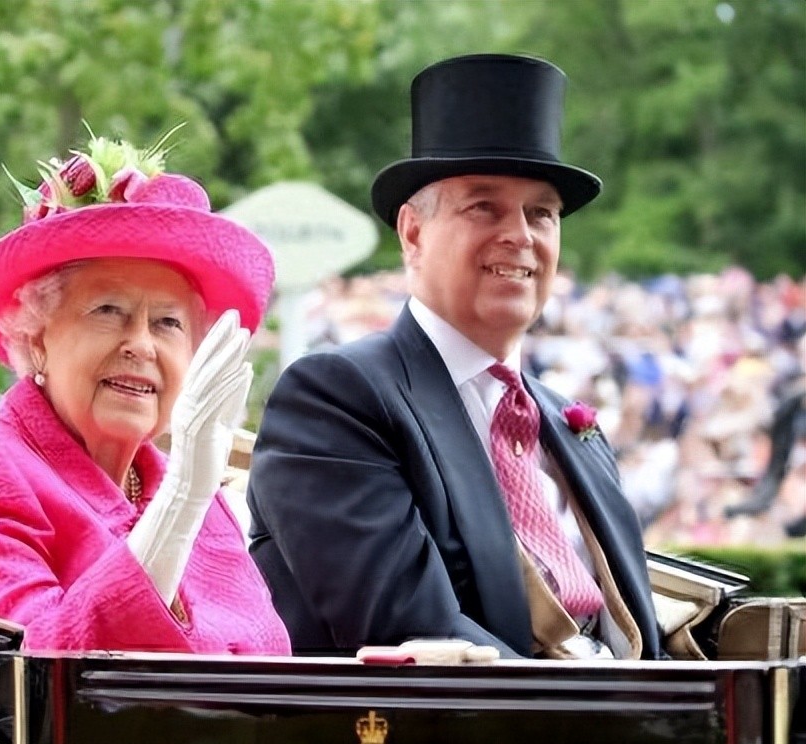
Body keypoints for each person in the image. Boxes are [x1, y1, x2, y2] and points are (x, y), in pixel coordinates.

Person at [247, 54, 666, 660]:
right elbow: (412, 631)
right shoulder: (337, 399)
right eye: (483, 207)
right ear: (413, 233)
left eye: (541, 213)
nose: (520, 235)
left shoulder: (573, 427)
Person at [0, 128, 291, 655]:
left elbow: (267, 663)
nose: (141, 344)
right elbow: (23, 673)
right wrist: (177, 506)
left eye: (168, 323)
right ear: (36, 336)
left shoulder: (197, 494)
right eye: (108, 311)